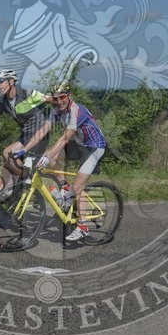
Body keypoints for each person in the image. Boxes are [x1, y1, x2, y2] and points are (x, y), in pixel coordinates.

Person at [20, 84, 106, 241]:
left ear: (69, 96)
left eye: (62, 97)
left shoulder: (76, 111)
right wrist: (25, 149)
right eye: (56, 98)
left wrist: (47, 156)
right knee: (50, 156)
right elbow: (43, 130)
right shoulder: (56, 111)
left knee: (78, 186)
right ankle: (65, 187)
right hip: (79, 144)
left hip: (94, 147)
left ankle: (83, 227)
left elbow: (65, 137)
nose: (59, 101)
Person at [0, 69, 49, 197]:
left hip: (39, 134)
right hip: (26, 135)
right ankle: (9, 191)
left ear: (11, 81)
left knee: (9, 154)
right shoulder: (3, 102)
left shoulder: (27, 93)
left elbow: (49, 99)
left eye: (1, 81)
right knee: (6, 161)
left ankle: (29, 180)